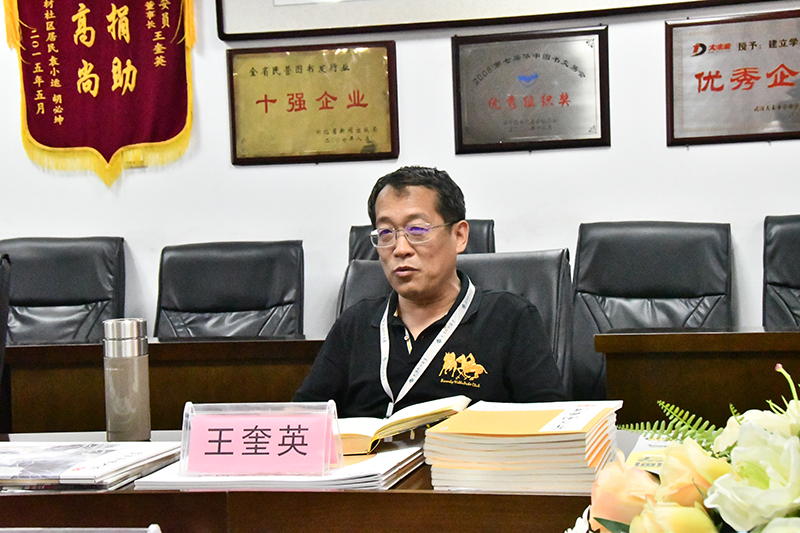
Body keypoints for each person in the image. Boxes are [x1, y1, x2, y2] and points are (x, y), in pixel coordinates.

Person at [293, 166, 566, 418]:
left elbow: (549, 425)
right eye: (386, 233)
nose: (400, 249)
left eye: (417, 229)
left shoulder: (510, 319)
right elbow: (304, 419)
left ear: (459, 236)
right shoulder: (355, 324)